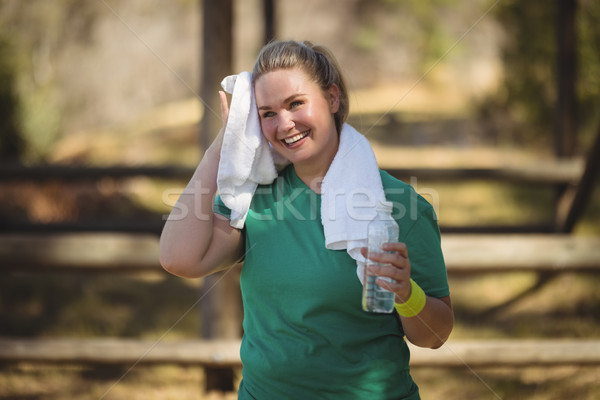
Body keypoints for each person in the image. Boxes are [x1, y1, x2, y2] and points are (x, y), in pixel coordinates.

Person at [160, 40, 453, 399]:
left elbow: (435, 336)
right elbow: (178, 258)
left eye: (296, 103)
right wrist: (227, 140)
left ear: (332, 98)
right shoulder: (253, 197)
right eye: (266, 113)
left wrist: (407, 294)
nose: (284, 124)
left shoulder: (400, 206)